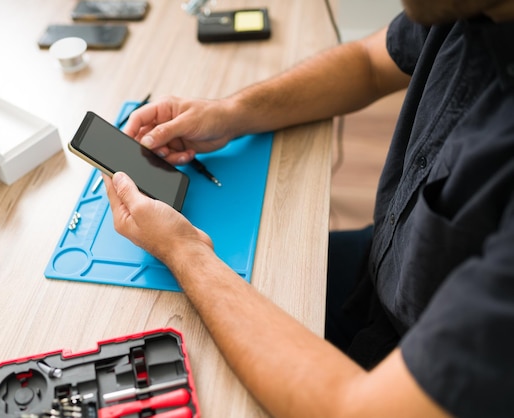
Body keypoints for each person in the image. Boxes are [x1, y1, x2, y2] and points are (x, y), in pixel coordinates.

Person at [103, 0, 514, 416]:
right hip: (382, 270)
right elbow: (370, 61)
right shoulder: (465, 9)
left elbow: (358, 410)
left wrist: (185, 252)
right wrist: (229, 113)